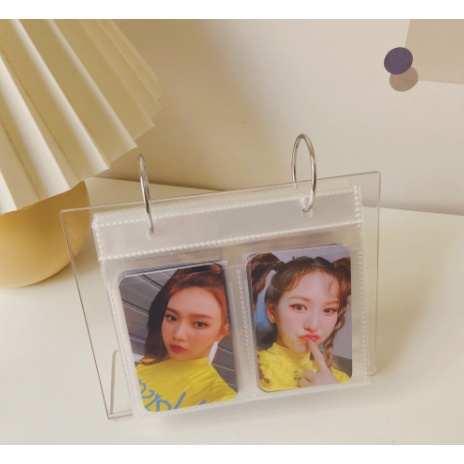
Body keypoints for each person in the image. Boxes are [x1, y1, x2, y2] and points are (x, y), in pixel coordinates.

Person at [136, 264, 237, 412]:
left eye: (199, 324)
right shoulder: (149, 361)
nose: (178, 334)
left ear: (222, 331)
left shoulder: (222, 400)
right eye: (172, 317)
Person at [249, 252, 351, 392]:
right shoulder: (251, 369)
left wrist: (335, 397)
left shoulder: (340, 381)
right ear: (272, 312)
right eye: (299, 307)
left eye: (328, 310)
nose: (313, 325)